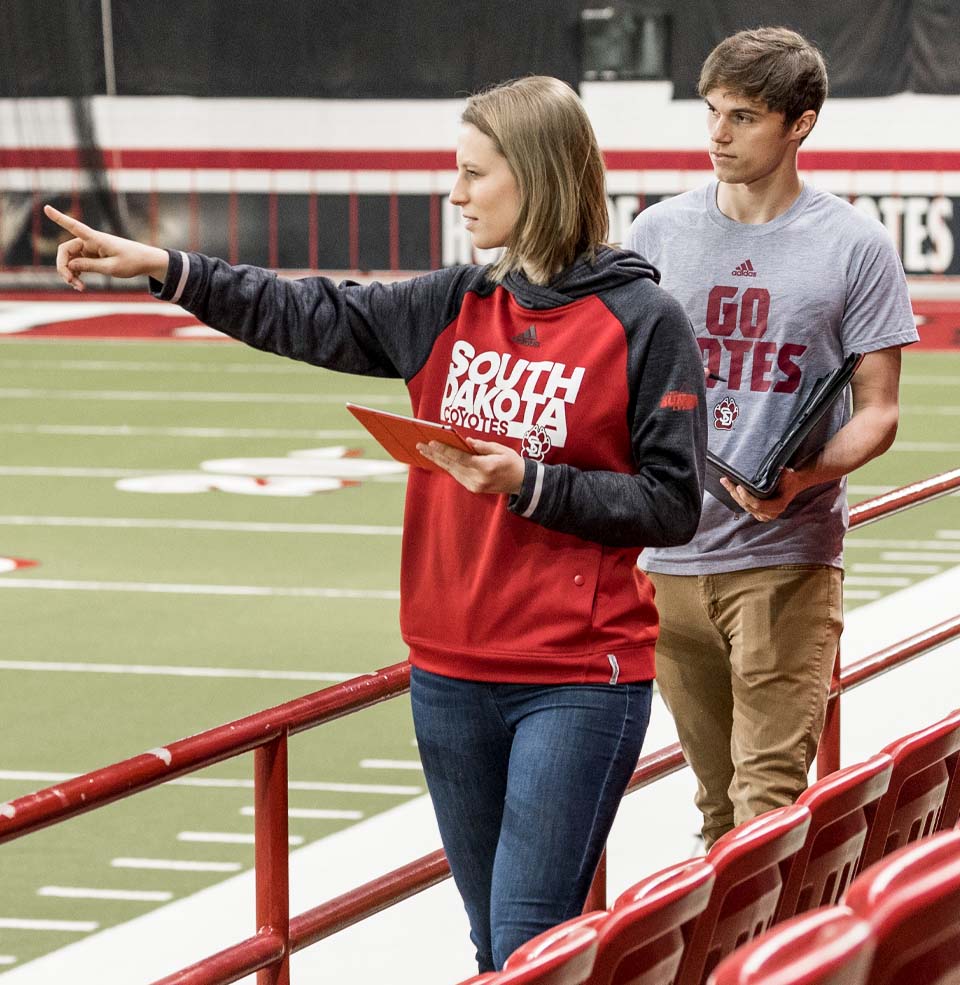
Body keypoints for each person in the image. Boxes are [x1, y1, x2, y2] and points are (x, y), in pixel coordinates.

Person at [46, 75, 706, 971]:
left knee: (525, 946)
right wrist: (169, 269)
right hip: (448, 676)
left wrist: (531, 482)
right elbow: (307, 312)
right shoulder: (448, 304)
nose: (455, 193)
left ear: (540, 178)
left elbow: (672, 502)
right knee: (493, 944)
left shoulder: (644, 321)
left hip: (578, 679)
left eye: (475, 174)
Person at [624, 27, 919, 850]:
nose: (716, 134)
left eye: (743, 117)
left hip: (784, 557)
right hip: (671, 562)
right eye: (711, 112)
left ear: (801, 124)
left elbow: (880, 410)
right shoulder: (653, 235)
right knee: (717, 809)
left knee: (769, 809)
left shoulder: (853, 245)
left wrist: (799, 481)